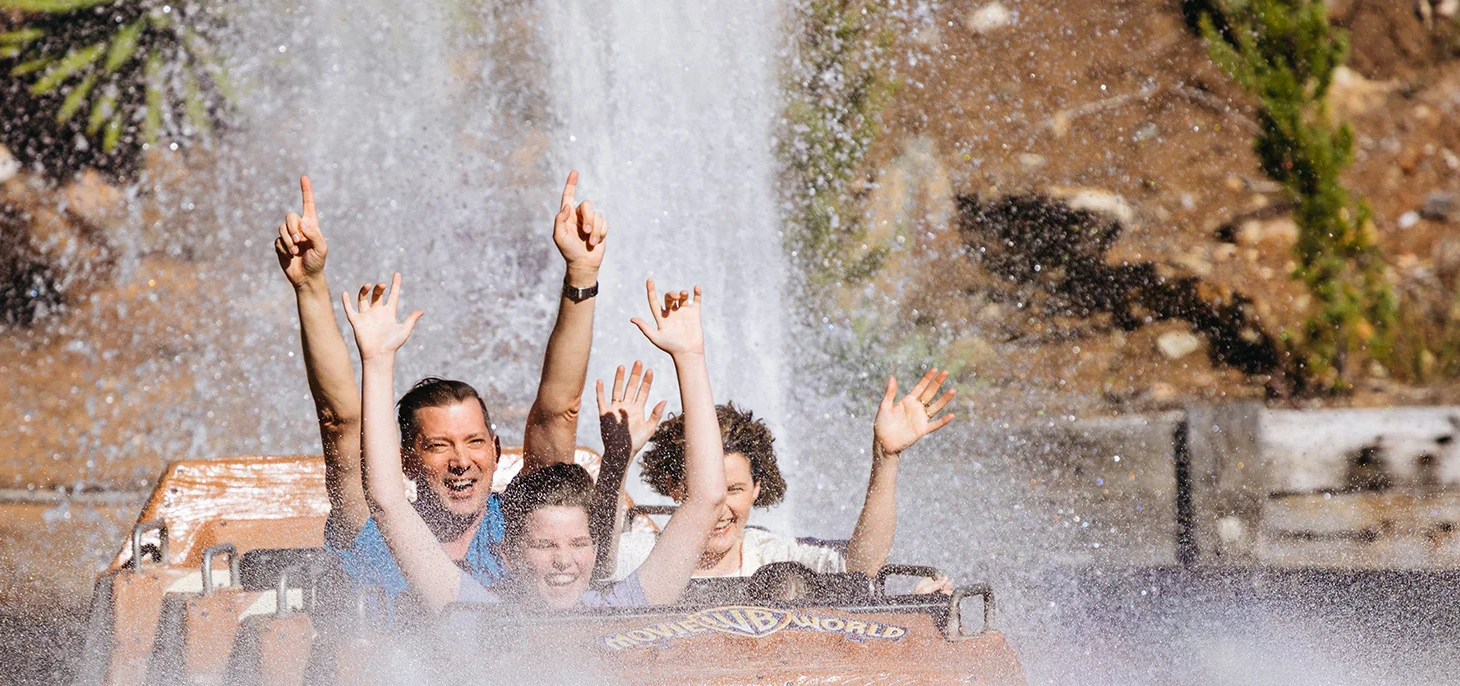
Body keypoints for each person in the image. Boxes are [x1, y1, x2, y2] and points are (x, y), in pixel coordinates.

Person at [272, 173, 608, 596]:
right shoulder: (375, 532)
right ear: (406, 461)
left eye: (473, 441)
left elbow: (559, 413)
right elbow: (339, 421)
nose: (461, 461)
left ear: (496, 449)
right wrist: (309, 285)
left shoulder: (526, 522)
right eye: (438, 445)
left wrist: (581, 273)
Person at [346, 274, 724, 613]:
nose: (564, 560)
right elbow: (387, 503)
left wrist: (691, 357)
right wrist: (377, 363)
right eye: (544, 546)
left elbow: (705, 501)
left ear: (595, 550)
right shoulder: (477, 618)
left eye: (579, 543)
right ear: (508, 555)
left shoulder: (619, 610)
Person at [607, 369, 957, 588]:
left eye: (734, 489)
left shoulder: (772, 555)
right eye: (704, 490)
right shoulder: (638, 555)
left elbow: (859, 566)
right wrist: (617, 459)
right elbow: (592, 565)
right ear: (674, 488)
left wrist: (886, 458)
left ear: (757, 489)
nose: (719, 505)